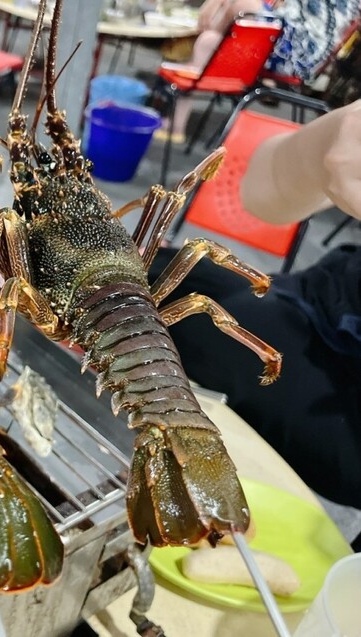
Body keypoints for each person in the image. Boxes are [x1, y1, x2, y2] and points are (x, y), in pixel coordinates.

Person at [148, 100, 361, 520]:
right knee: (138, 265)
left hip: (345, 408)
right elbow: (259, 193)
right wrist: (326, 150)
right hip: (320, 297)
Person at [155, 0, 361, 142]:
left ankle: (195, 58)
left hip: (299, 54)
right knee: (209, 41)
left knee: (239, 10)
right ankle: (177, 120)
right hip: (293, 43)